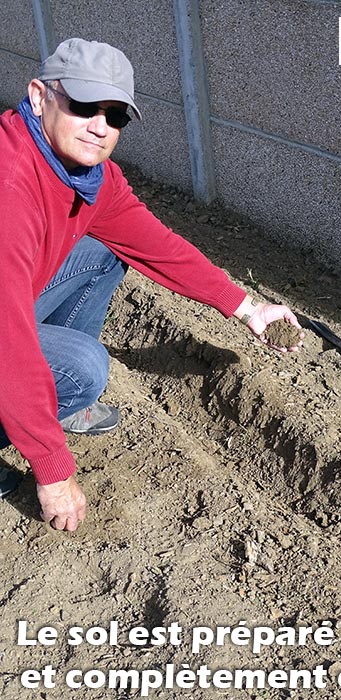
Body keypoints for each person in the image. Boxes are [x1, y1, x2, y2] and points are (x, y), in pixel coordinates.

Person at [0, 38, 303, 532]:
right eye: (82, 106)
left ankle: (54, 406)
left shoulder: (86, 176)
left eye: (115, 116)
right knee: (84, 368)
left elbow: (155, 245)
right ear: (39, 97)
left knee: (102, 253)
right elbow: (6, 341)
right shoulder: (10, 187)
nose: (99, 128)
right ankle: (38, 412)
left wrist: (248, 308)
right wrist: (52, 469)